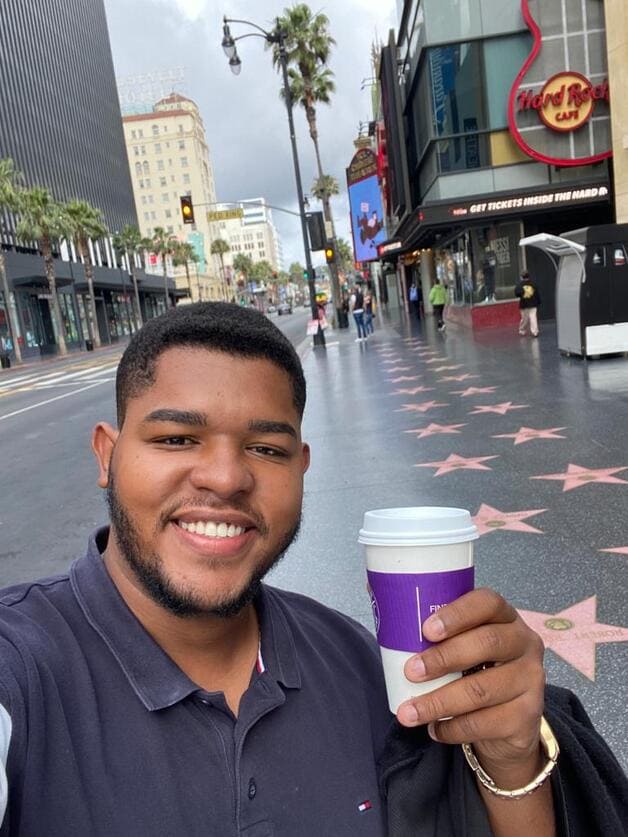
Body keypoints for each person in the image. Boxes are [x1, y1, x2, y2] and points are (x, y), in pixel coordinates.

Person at [0, 303, 625, 836]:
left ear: (301, 467)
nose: (225, 477)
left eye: (265, 449)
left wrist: (511, 759)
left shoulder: (364, 669)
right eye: (175, 439)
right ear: (107, 455)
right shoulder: (20, 670)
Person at [515, 270, 541, 338]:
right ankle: (535, 332)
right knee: (533, 317)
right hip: (533, 303)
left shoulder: (520, 285)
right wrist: (538, 302)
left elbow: (517, 294)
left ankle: (522, 330)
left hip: (524, 304)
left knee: (524, 318)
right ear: (529, 276)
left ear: (521, 277)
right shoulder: (533, 284)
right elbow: (537, 294)